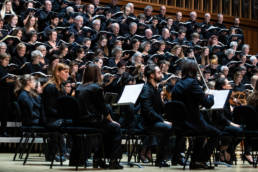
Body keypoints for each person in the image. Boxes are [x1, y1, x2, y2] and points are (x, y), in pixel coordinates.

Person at [172, 60, 221, 169]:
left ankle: (195, 161)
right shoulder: (193, 83)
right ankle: (201, 160)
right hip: (192, 124)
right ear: (194, 71)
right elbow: (208, 104)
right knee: (216, 133)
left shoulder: (178, 83)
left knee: (202, 133)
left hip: (180, 124)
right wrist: (211, 95)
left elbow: (188, 102)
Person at [73, 63, 123, 169]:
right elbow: (103, 108)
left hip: (80, 122)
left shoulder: (79, 87)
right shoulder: (96, 88)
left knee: (106, 130)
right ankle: (114, 160)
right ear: (97, 74)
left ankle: (98, 158)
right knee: (116, 128)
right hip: (92, 122)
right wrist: (111, 120)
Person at [139, 64, 172, 167]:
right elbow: (148, 110)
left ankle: (172, 157)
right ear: (152, 75)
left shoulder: (156, 89)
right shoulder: (146, 89)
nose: (161, 74)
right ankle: (160, 159)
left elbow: (161, 109)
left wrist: (163, 100)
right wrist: (162, 120)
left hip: (155, 121)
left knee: (175, 126)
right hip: (148, 123)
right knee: (168, 128)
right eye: (158, 72)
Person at [41, 63, 70, 162]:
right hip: (49, 119)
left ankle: (64, 151)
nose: (68, 75)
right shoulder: (51, 87)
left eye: (68, 72)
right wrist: (63, 115)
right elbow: (49, 109)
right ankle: (60, 152)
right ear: (57, 72)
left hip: (56, 117)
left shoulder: (60, 86)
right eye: (65, 72)